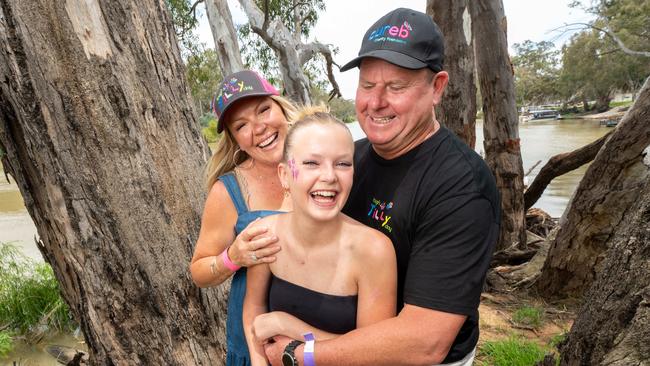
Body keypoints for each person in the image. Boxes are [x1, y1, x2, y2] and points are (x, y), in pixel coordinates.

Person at [263, 8, 500, 366]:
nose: (376, 103)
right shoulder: (346, 161)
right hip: (332, 335)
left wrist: (300, 354)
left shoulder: (462, 187)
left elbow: (424, 342)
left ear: (437, 88)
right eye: (367, 85)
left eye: (396, 87)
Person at [242, 107, 397, 366]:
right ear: (284, 175)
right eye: (312, 163)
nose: (329, 176)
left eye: (343, 164)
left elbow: (375, 356)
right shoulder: (266, 234)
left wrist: (290, 327)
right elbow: (253, 310)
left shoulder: (373, 250)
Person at [189, 69, 298, 366]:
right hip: (257, 348)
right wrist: (233, 256)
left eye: (263, 109)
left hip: (320, 335)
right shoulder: (229, 191)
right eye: (242, 125)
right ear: (235, 139)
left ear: (280, 106)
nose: (259, 128)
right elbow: (199, 270)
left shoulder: (321, 162)